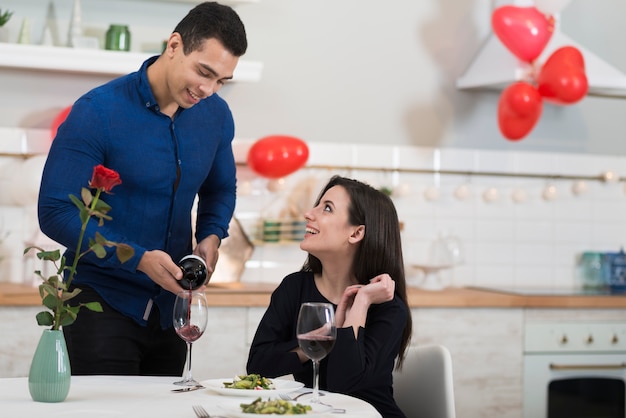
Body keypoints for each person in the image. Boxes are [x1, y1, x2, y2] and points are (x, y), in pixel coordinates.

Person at [37, 2, 247, 376]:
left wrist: (211, 236)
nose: (209, 89)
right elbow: (55, 210)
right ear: (174, 45)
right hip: (100, 303)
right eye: (204, 72)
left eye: (221, 81)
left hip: (172, 310)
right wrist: (138, 258)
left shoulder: (216, 116)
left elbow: (220, 189)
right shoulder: (97, 111)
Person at [247, 176, 412, 418]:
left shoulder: (388, 308)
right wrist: (315, 343)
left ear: (356, 233)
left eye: (326, 208)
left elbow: (343, 386)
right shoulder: (294, 288)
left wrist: (362, 303)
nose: (308, 214)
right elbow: (258, 366)